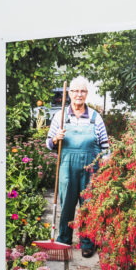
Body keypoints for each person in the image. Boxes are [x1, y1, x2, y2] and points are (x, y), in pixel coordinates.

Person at [46, 76, 110, 258]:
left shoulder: (96, 118)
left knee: (89, 205)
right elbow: (49, 144)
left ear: (87, 94)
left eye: (82, 91)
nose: (78, 95)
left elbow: (105, 146)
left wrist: (105, 169)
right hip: (66, 168)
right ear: (70, 93)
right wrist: (55, 138)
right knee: (66, 204)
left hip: (91, 170)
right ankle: (64, 240)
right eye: (75, 91)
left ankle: (88, 243)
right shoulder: (60, 117)